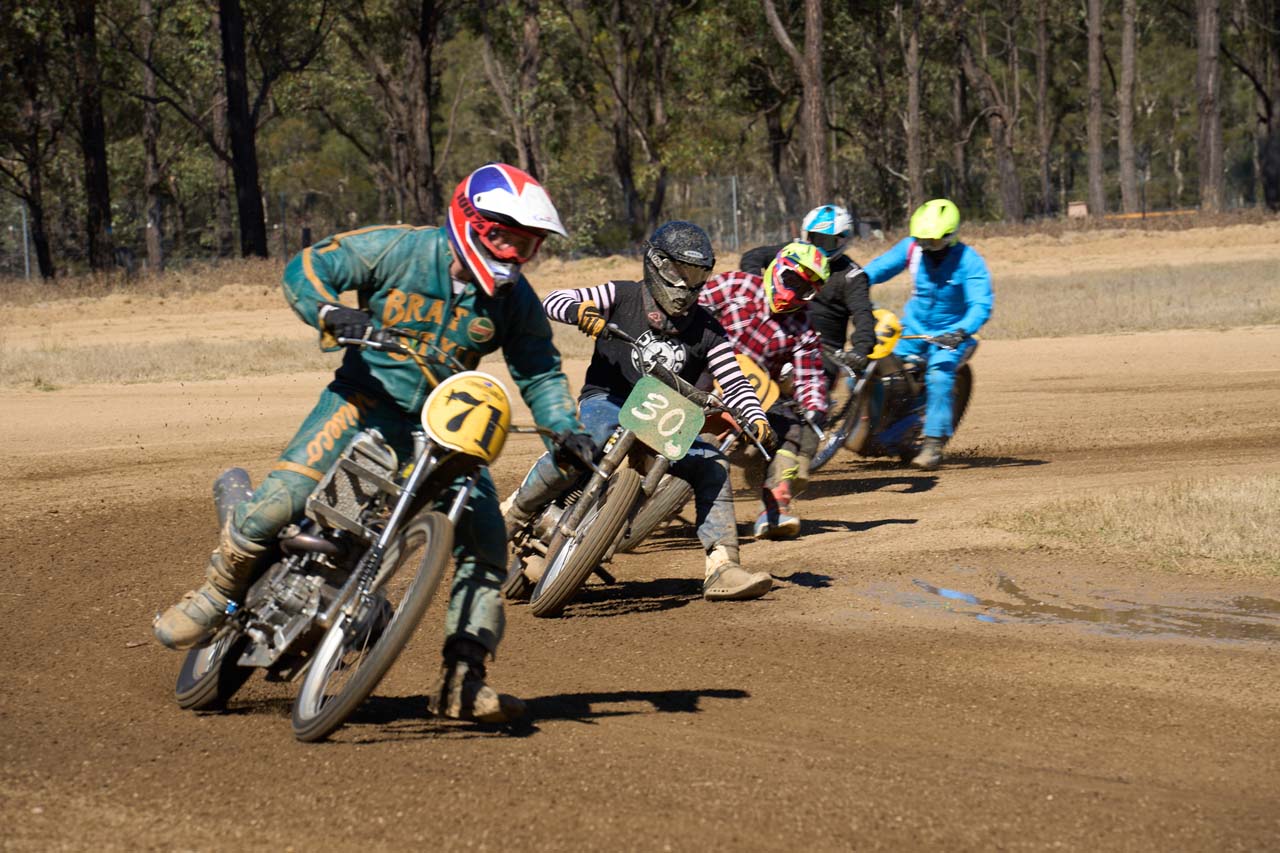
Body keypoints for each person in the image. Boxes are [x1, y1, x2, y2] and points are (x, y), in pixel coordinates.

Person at [153, 163, 592, 723]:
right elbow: (310, 266)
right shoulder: (399, 249)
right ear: (470, 222)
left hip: (443, 428)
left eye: (525, 244)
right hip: (363, 401)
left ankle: (462, 679)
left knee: (486, 544)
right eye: (503, 237)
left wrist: (565, 428)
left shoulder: (515, 300)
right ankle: (215, 596)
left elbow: (540, 370)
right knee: (282, 501)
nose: (512, 252)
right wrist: (332, 310)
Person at [501, 221, 779, 601]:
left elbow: (735, 381)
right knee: (589, 438)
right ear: (656, 264)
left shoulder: (710, 330)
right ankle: (515, 510)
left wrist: (756, 416)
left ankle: (723, 565)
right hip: (608, 399)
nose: (686, 286)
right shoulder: (622, 295)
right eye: (679, 273)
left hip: (667, 415)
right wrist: (580, 311)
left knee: (713, 462)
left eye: (696, 277)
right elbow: (554, 300)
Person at [698, 241, 830, 540]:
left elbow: (810, 376)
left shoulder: (805, 329)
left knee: (792, 431)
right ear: (776, 269)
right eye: (791, 280)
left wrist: (814, 406)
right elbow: (692, 308)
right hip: (700, 370)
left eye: (804, 290)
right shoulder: (737, 284)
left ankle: (774, 508)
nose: (793, 293)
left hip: (750, 397)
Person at [862, 198, 993, 470]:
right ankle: (871, 426)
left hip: (951, 336)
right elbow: (876, 269)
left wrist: (961, 331)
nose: (925, 246)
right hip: (913, 330)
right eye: (921, 240)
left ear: (950, 236)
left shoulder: (969, 262)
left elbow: (981, 305)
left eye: (932, 241)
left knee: (939, 375)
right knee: (872, 360)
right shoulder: (912, 249)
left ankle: (933, 444)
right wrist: (854, 284)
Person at [739, 204, 876, 377]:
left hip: (823, 351)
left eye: (827, 242)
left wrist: (860, 349)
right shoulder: (793, 252)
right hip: (780, 331)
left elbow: (863, 315)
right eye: (815, 238)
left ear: (842, 241)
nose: (819, 247)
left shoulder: (852, 276)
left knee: (802, 384)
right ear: (806, 235)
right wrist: (756, 287)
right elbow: (753, 256)